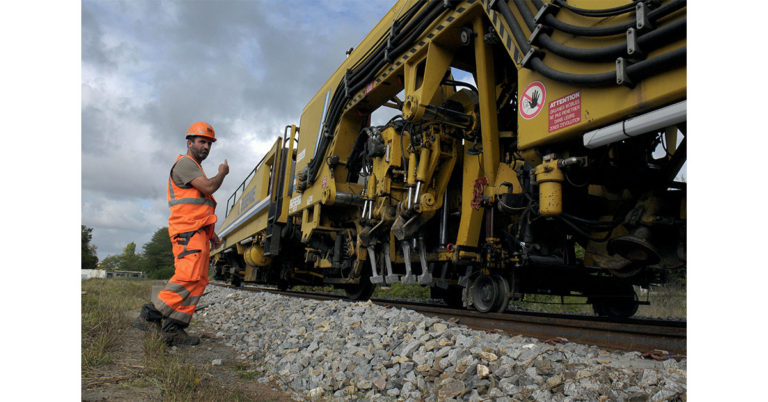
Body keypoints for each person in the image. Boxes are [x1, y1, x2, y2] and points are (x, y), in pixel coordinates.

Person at [134, 121, 229, 346]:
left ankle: (174, 328)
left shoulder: (194, 167)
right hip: (187, 232)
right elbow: (208, 188)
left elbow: (199, 205)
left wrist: (211, 234)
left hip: (197, 232)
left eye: (209, 143)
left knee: (199, 281)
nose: (206, 146)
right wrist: (222, 174)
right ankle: (149, 315)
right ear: (190, 143)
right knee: (187, 277)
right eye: (202, 142)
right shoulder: (185, 164)